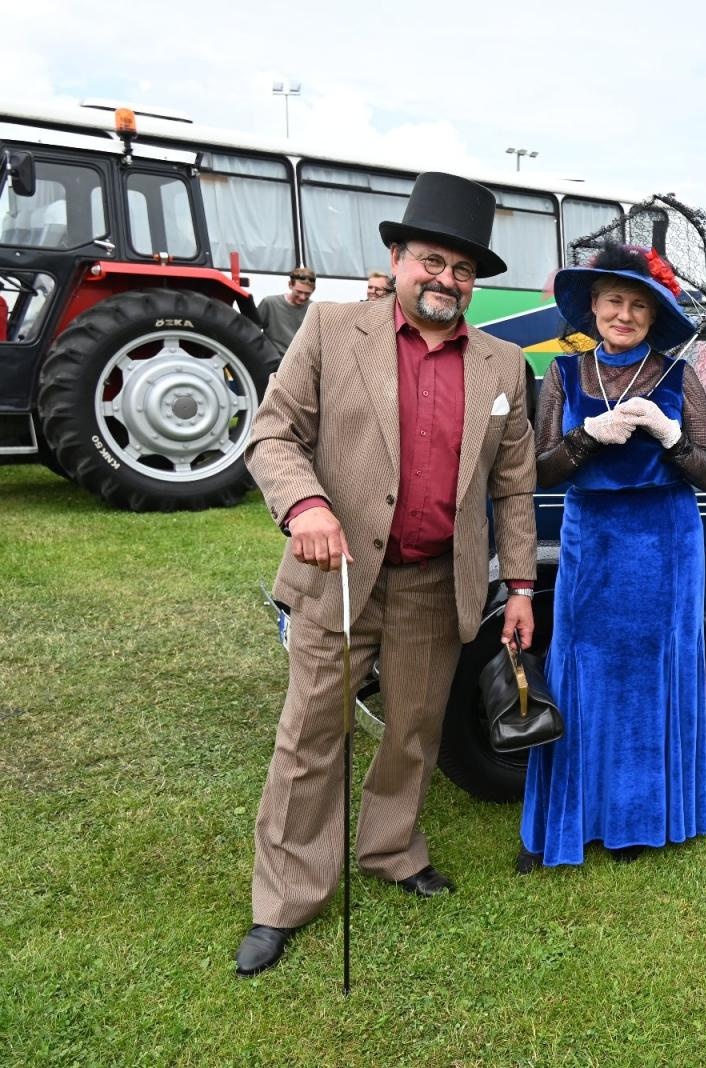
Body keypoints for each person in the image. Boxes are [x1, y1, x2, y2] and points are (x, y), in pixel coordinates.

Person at [233, 173, 539, 977]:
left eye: (463, 270)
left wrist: (523, 587)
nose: (447, 280)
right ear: (398, 258)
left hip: (438, 583)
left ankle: (393, 851)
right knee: (310, 737)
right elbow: (271, 436)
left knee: (413, 729)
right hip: (337, 576)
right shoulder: (332, 331)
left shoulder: (504, 364)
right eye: (433, 261)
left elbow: (513, 488)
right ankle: (286, 899)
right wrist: (304, 508)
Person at [517, 243, 706, 871]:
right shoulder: (563, 374)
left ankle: (639, 818)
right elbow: (541, 469)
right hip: (593, 541)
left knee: (651, 672)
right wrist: (587, 436)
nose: (624, 314)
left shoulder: (679, 376)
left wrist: (669, 433)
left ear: (654, 316)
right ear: (594, 308)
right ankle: (572, 818)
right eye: (613, 301)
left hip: (665, 542)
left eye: (638, 305)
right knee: (583, 668)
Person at [256, 266, 316, 357]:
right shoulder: (270, 303)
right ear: (290, 285)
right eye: (299, 292)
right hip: (273, 360)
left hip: (301, 361)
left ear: (313, 290)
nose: (302, 297)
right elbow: (253, 329)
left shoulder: (314, 309)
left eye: (307, 293)